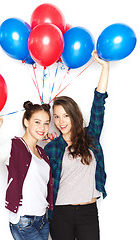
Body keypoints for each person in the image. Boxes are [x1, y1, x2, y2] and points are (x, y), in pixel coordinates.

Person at [44, 50, 109, 240]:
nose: (61, 121)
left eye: (65, 115)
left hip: (88, 212)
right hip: (60, 213)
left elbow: (99, 104)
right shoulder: (52, 148)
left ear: (74, 115)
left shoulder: (91, 137)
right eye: (56, 116)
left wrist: (105, 67)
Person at [0, 101, 53, 240]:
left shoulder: (42, 152)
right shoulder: (15, 145)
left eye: (46, 123)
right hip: (24, 220)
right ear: (26, 121)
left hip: (43, 219)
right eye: (37, 122)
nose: (42, 127)